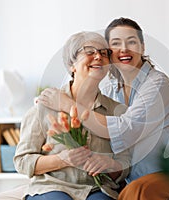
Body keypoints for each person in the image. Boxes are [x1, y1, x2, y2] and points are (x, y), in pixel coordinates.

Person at [38, 18, 169, 200]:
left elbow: (125, 129)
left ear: (142, 47)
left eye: (131, 42)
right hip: (127, 178)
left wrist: (67, 105)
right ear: (108, 52)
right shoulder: (109, 89)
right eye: (116, 43)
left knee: (138, 191)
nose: (124, 49)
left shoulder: (158, 84)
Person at [14, 31, 130, 200]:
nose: (98, 56)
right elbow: (22, 161)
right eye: (89, 51)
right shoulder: (45, 105)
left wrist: (111, 165)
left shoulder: (117, 111)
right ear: (72, 65)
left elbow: (126, 163)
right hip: (51, 187)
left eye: (104, 53)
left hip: (98, 189)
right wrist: (62, 159)